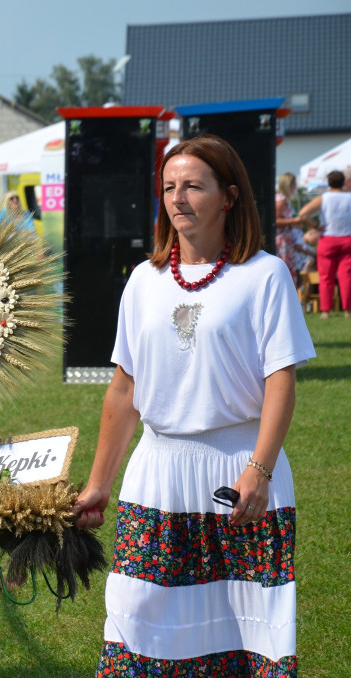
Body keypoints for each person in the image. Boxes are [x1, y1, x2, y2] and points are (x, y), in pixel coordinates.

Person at [72, 135, 314, 676]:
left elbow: (281, 380)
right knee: (138, 618)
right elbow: (123, 389)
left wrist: (260, 467)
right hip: (157, 471)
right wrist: (99, 483)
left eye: (193, 187)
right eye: (169, 187)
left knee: (243, 630)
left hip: (239, 475)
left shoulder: (265, 276)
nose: (178, 198)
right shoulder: (143, 280)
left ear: (228, 197)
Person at [298, 170, 351, 318]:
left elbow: (303, 214)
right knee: (346, 276)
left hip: (328, 238)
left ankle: (326, 311)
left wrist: (315, 225)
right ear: (343, 182)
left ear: (328, 183)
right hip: (347, 238)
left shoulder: (324, 198)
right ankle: (347, 310)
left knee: (326, 276)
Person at [275, 172, 305, 284]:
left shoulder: (283, 199)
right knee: (285, 271)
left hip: (286, 239)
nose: (295, 187)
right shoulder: (281, 199)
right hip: (282, 240)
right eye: (294, 184)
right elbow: (275, 220)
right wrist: (294, 221)